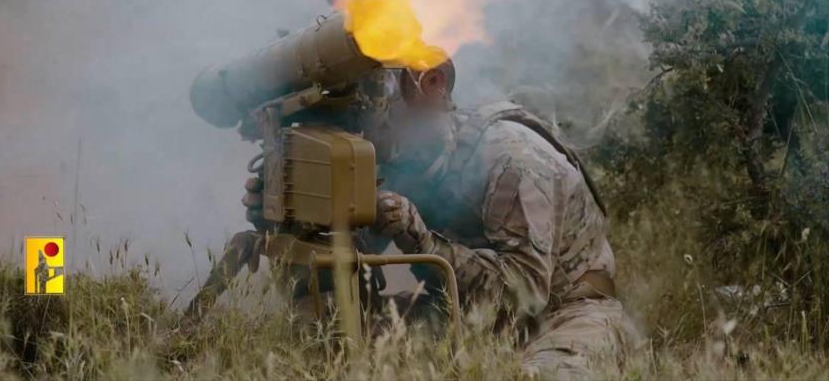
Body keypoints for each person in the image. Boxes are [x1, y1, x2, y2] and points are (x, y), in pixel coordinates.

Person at [242, 63, 636, 379]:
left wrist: (422, 242)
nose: (365, 122)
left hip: (566, 314)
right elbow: (345, 267)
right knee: (320, 342)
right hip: (456, 311)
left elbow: (526, 297)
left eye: (376, 101)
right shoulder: (390, 160)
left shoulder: (513, 161)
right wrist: (290, 215)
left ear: (431, 87)